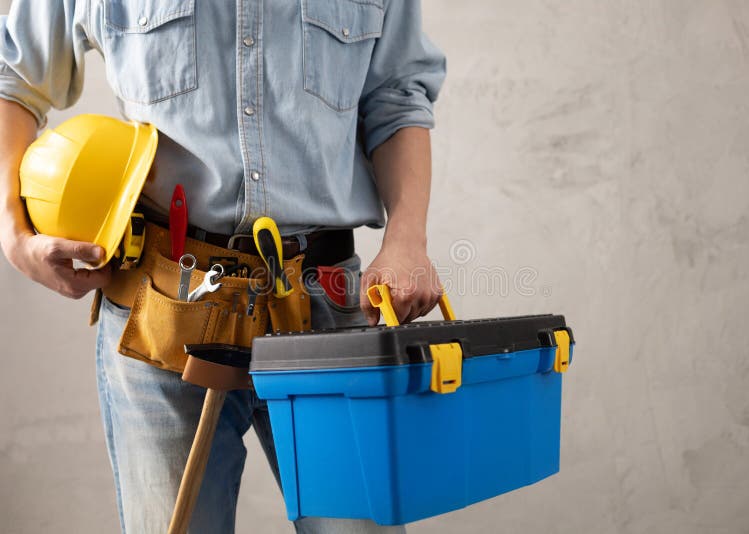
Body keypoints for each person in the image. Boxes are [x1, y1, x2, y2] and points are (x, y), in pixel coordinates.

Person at [0, 1, 446, 532]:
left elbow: (397, 98)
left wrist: (407, 239)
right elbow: (13, 78)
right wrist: (13, 234)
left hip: (327, 313)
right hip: (162, 310)